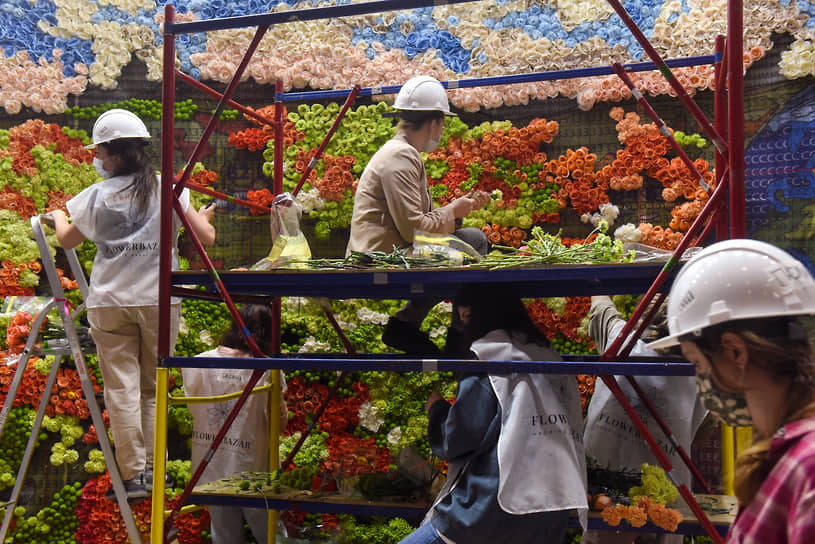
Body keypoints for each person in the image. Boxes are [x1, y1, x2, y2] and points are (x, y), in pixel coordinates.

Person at [50, 108, 216, 500]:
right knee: (153, 386)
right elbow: (205, 238)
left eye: (99, 152)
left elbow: (68, 240)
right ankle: (156, 471)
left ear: (112, 154)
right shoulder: (170, 189)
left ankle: (133, 476)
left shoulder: (96, 195)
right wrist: (205, 216)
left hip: (110, 302)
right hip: (159, 301)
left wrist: (59, 214)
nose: (97, 159)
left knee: (121, 390)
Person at [646, 239, 815, 543]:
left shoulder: (808, 466)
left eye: (698, 365)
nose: (702, 383)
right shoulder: (784, 454)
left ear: (735, 352)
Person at [398, 283, 588, 544]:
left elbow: (458, 437)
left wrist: (437, 410)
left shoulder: (489, 356)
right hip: (551, 508)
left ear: (468, 314)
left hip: (493, 508)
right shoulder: (545, 351)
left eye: (462, 318)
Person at [347, 75, 491, 355]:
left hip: (395, 250)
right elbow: (416, 230)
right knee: (473, 246)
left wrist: (460, 211)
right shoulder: (399, 157)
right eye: (442, 124)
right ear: (435, 122)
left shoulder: (402, 154)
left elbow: (421, 223)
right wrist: (452, 210)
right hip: (382, 257)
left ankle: (410, 324)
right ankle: (457, 337)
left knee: (470, 238)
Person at [581, 295, 707, 544]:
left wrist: (599, 269)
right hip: (668, 490)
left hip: (605, 488)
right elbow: (701, 432)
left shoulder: (620, 339)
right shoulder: (700, 369)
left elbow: (600, 306)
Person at [183, 303, 288, 544]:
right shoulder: (267, 369)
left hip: (210, 467)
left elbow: (194, 409)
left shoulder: (197, 362)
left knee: (224, 536)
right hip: (253, 470)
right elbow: (278, 424)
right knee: (270, 534)